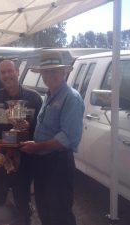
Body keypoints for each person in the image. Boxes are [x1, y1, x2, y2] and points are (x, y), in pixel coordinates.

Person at [20, 50, 85, 225]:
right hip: (43, 163)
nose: (50, 75)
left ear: (64, 72)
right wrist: (28, 128)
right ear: (41, 75)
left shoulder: (71, 98)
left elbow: (68, 137)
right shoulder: (47, 96)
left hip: (58, 164)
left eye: (54, 71)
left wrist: (37, 147)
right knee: (44, 209)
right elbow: (45, 127)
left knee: (60, 213)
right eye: (46, 72)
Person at [0, 59, 42, 225]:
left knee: (22, 202)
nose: (7, 75)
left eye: (10, 71)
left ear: (17, 72)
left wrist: (29, 127)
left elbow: (42, 128)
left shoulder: (33, 98)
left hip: (24, 159)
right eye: (3, 72)